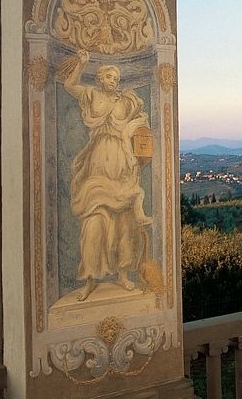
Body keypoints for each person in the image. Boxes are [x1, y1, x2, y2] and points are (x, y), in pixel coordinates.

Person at [64, 49, 151, 301]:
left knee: (126, 224)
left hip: (122, 166)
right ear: (100, 79)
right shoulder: (91, 95)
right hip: (98, 166)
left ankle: (123, 275)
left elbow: (141, 128)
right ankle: (90, 279)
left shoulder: (127, 101)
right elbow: (70, 84)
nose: (113, 80)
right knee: (94, 225)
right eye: (109, 76)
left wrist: (138, 146)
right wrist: (81, 63)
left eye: (116, 77)